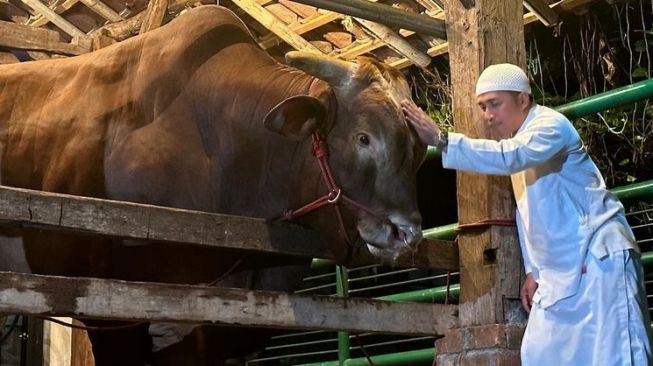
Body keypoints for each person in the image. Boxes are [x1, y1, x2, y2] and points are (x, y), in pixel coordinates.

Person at [401, 63, 653, 365]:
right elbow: (527, 212)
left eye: (495, 104)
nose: (488, 115)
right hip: (557, 274)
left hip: (600, 260)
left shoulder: (550, 126)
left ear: (523, 99)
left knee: (616, 357)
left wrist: (442, 140)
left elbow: (511, 156)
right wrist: (533, 269)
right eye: (483, 106)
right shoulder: (520, 140)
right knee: (538, 353)